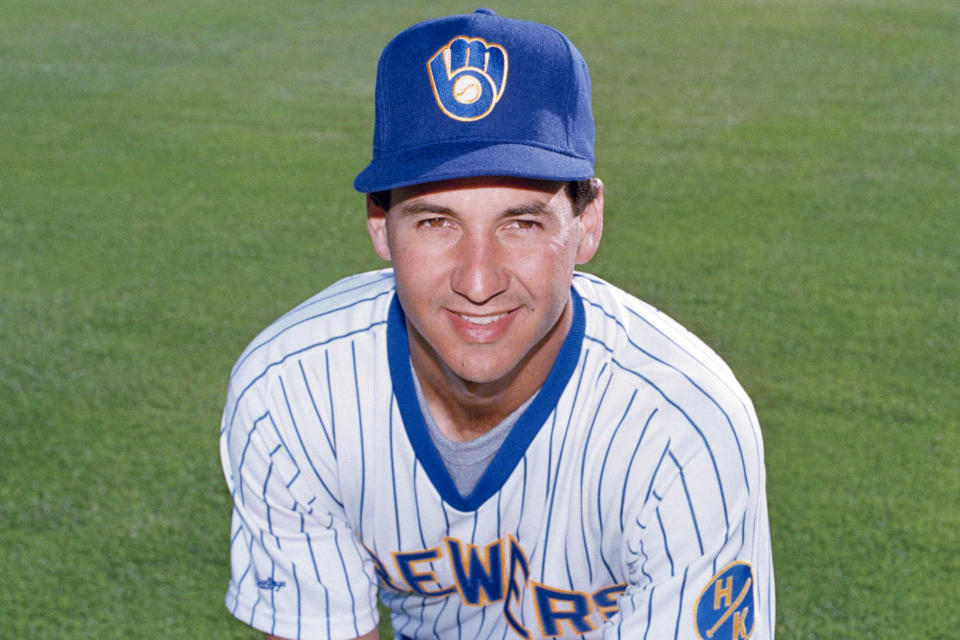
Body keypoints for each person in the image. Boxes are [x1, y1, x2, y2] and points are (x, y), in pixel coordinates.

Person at [220, 9, 774, 640]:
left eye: (521, 223)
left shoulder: (684, 425)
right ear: (380, 226)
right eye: (436, 222)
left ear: (586, 223)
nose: (478, 282)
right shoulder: (291, 392)